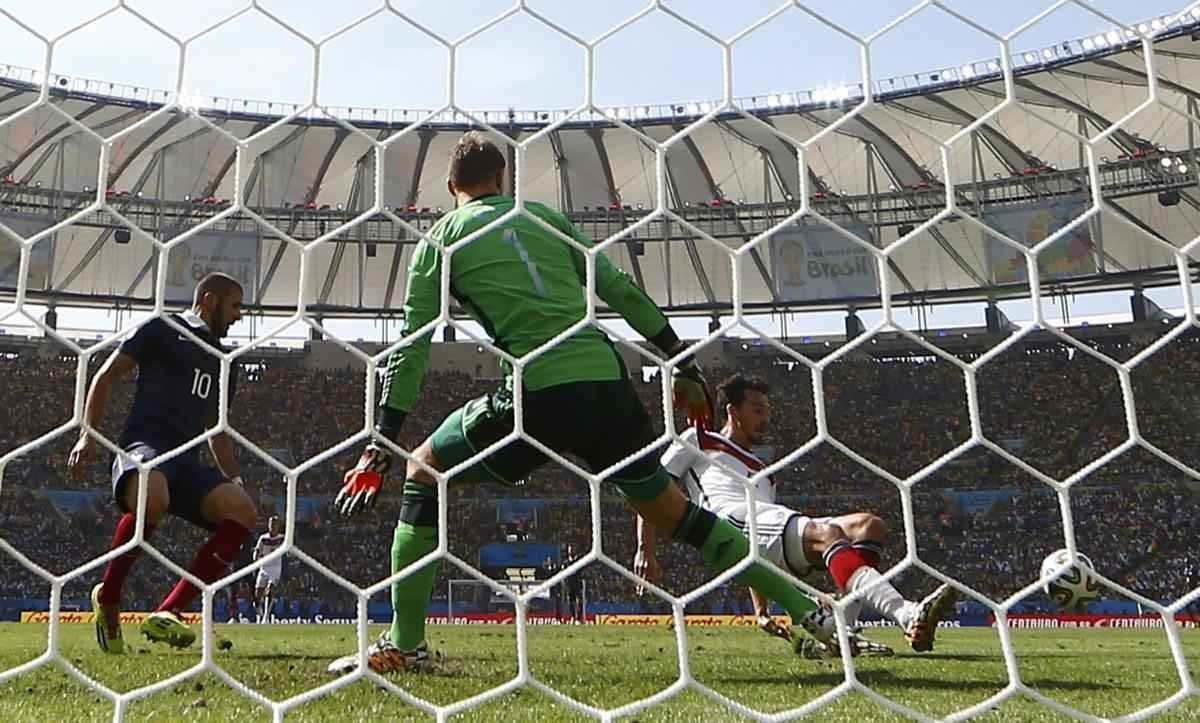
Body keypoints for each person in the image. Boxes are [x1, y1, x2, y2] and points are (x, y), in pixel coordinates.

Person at [327, 132, 834, 674]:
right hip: (608, 387)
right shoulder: (545, 217)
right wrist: (681, 364)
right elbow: (618, 288)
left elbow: (413, 348)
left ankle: (406, 645)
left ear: (451, 186)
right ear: (503, 180)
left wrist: (379, 446)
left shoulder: (441, 240)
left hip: (537, 394)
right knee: (676, 515)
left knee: (423, 467)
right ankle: (812, 611)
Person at [636, 374, 958, 654]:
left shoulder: (763, 471)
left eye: (768, 411)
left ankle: (841, 631)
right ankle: (907, 614)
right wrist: (645, 550)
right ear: (733, 411)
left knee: (868, 526)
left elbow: (759, 550)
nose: (766, 418)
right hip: (726, 521)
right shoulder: (699, 438)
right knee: (828, 534)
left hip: (761, 530)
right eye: (758, 410)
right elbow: (652, 492)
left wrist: (761, 610)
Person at [67, 272, 256, 653]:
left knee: (243, 511)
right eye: (235, 305)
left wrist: (234, 479)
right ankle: (109, 597)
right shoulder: (161, 329)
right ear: (209, 299)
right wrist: (88, 433)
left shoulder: (225, 361)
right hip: (143, 449)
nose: (239, 315)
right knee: (153, 489)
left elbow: (216, 429)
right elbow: (105, 377)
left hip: (186, 463)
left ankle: (170, 612)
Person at [253, 515, 285, 623]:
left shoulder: (282, 538)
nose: (272, 526)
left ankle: (266, 617)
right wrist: (256, 559)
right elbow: (257, 551)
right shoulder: (263, 538)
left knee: (270, 589)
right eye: (271, 524)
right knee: (256, 599)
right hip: (264, 568)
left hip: (275, 568)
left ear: (278, 526)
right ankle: (261, 615)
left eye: (274, 524)